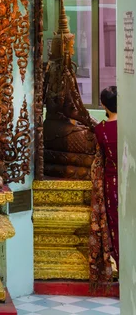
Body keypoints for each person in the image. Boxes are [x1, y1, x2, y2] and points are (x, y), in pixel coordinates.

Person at [89, 86, 118, 285]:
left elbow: (99, 158)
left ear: (103, 105)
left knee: (115, 225)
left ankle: (123, 270)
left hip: (111, 184)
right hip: (126, 180)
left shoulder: (101, 130)